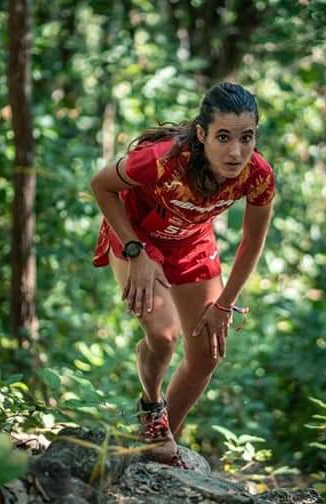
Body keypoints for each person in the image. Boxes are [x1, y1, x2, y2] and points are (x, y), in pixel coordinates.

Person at [88, 82, 275, 466]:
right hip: (137, 235)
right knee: (163, 334)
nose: (235, 151)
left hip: (190, 243)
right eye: (223, 137)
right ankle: (151, 405)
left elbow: (252, 242)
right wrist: (135, 252)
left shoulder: (257, 174)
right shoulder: (161, 160)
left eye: (246, 137)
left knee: (207, 352)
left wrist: (224, 304)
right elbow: (101, 186)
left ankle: (157, 444)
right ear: (202, 134)